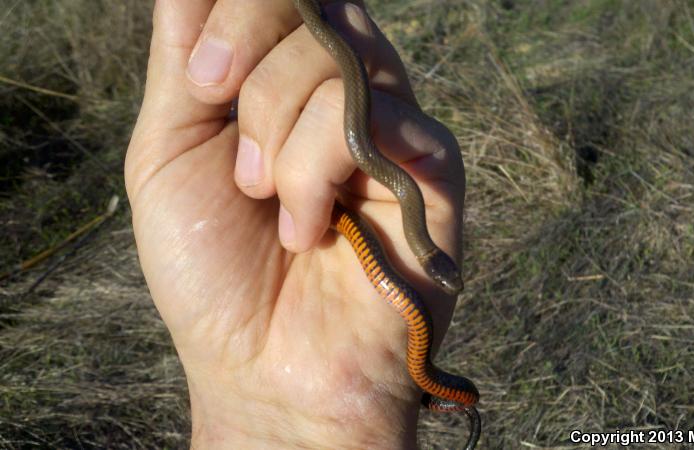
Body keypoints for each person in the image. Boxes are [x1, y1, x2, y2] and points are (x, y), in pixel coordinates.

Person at [125, 1, 465, 448]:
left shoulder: (408, 204)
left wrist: (338, 419)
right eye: (443, 274)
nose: (447, 281)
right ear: (431, 259)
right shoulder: (408, 197)